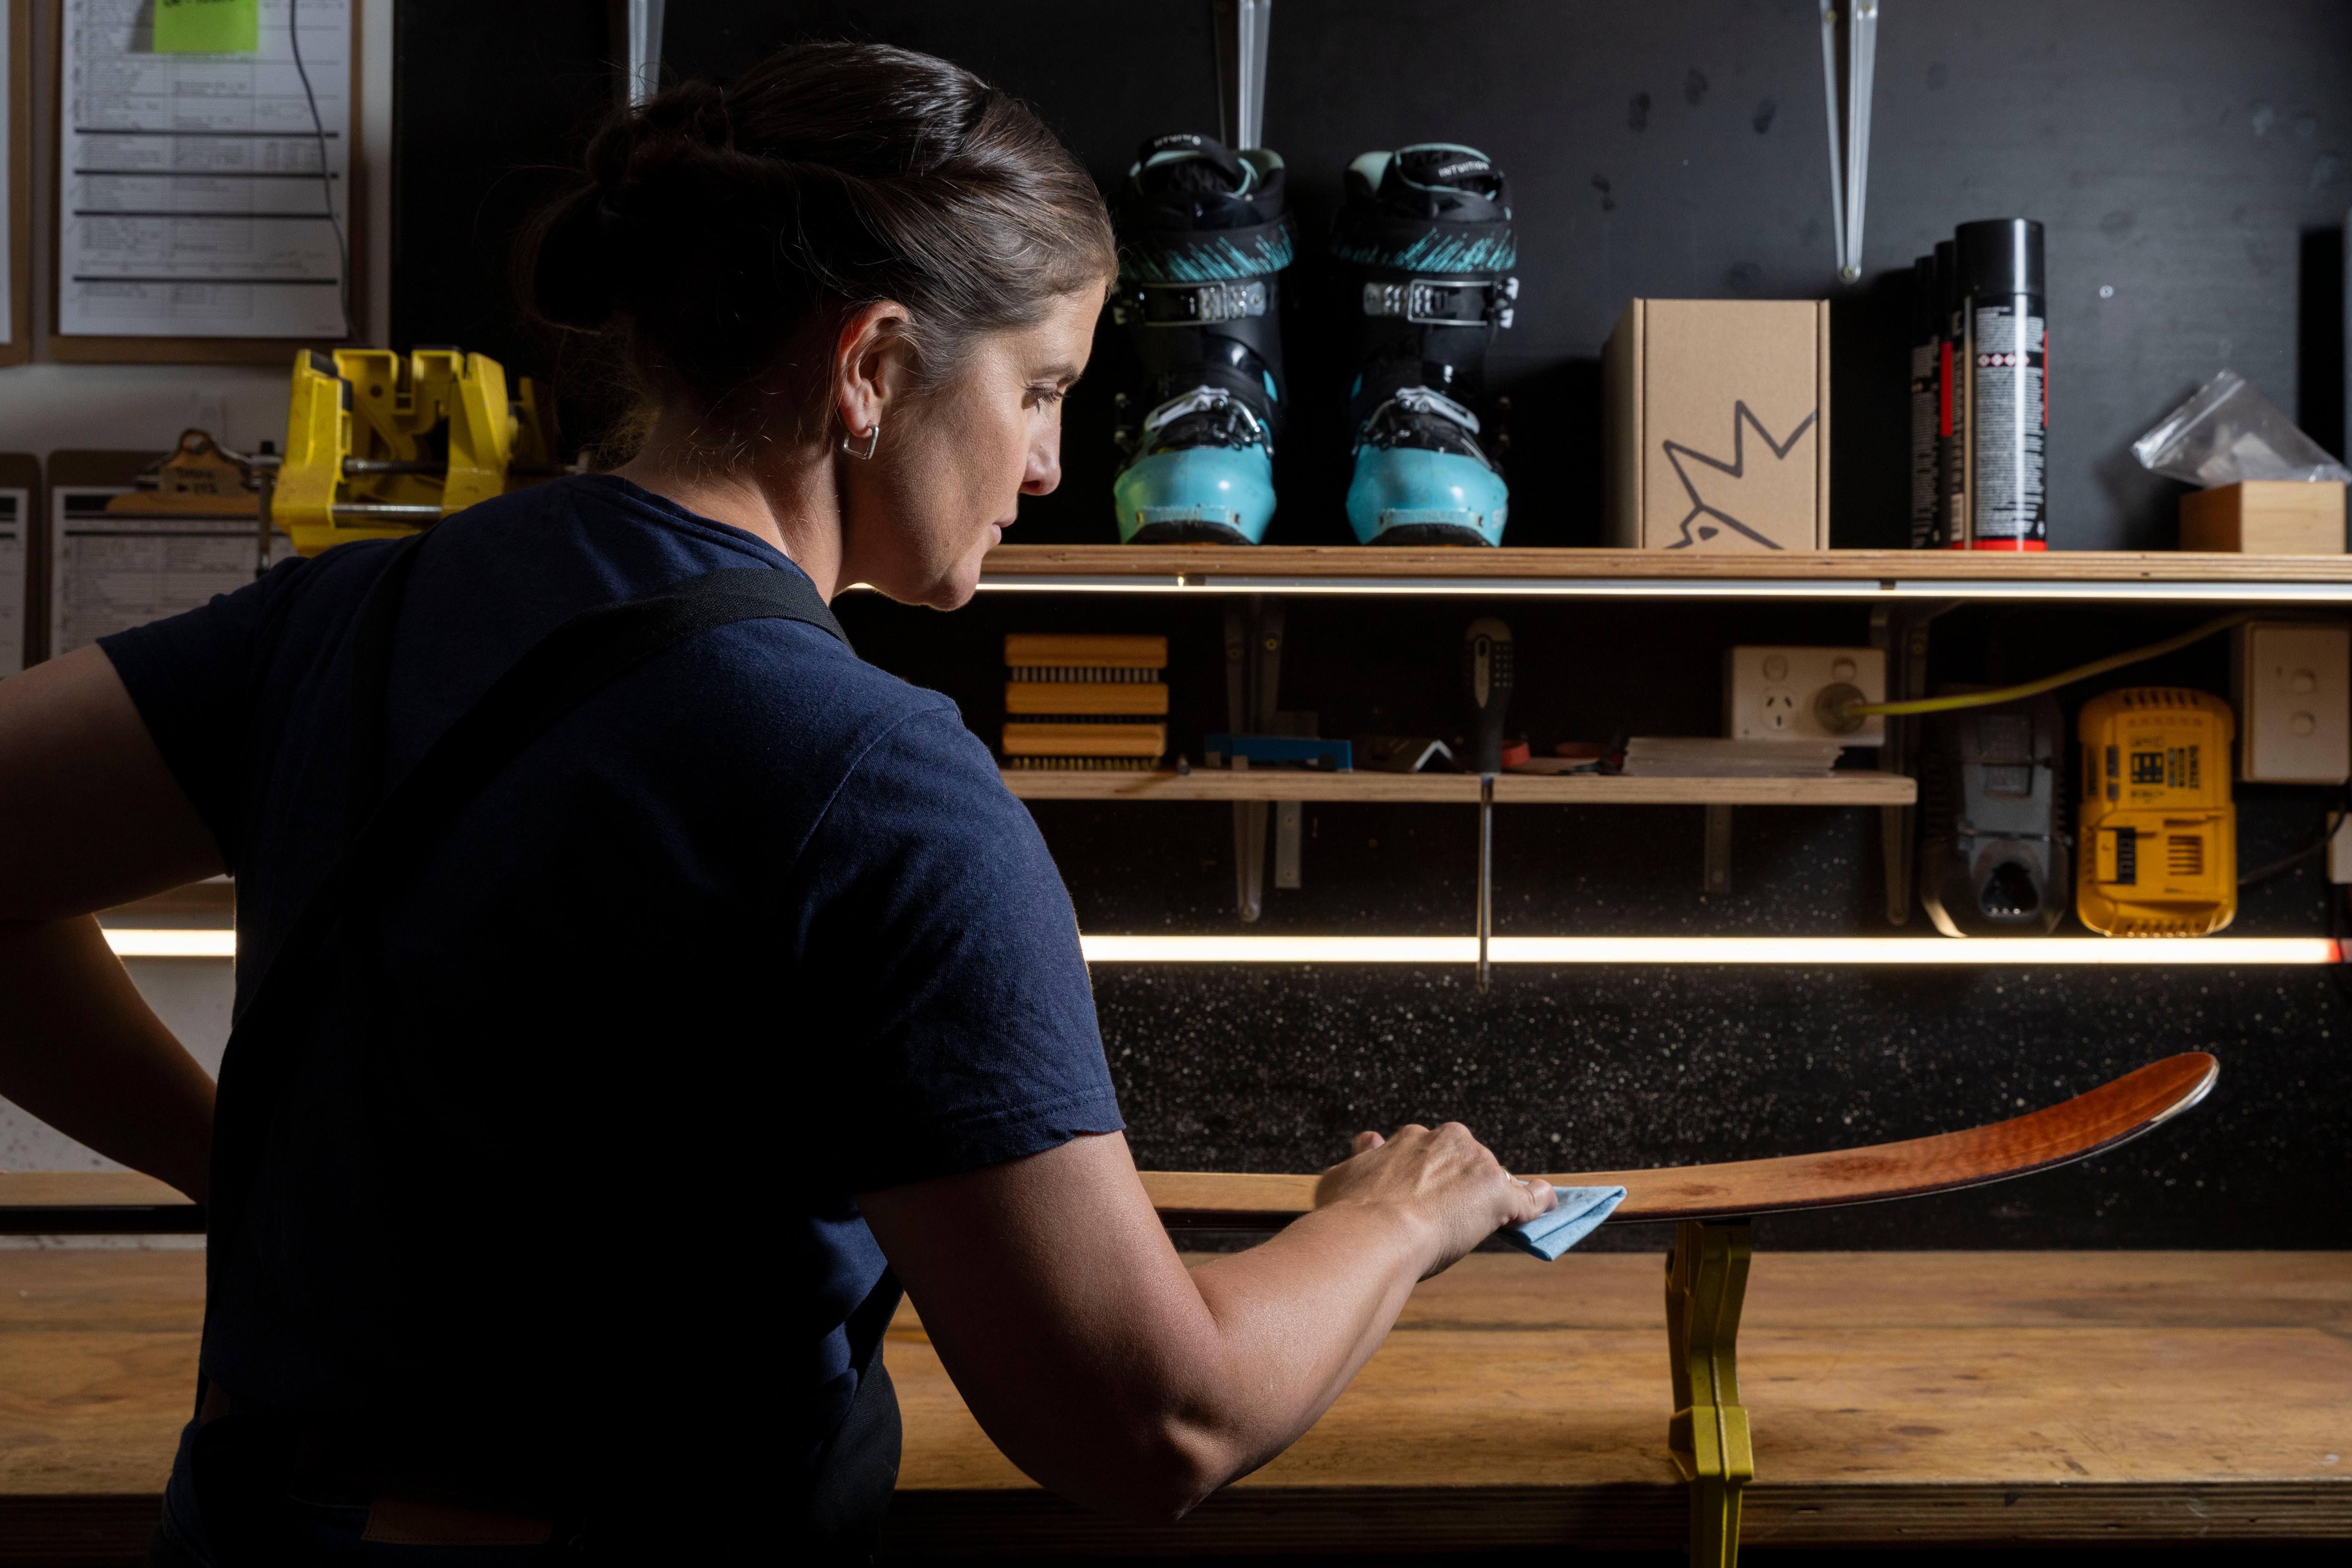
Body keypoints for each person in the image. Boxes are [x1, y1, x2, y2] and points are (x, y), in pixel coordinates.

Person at [0, 42, 1552, 1562]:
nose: (1049, 468)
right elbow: (1156, 1426)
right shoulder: (876, 784)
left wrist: (237, 1162)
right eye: (1041, 390)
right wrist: (1395, 1218)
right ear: (873, 371)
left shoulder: (351, 615)